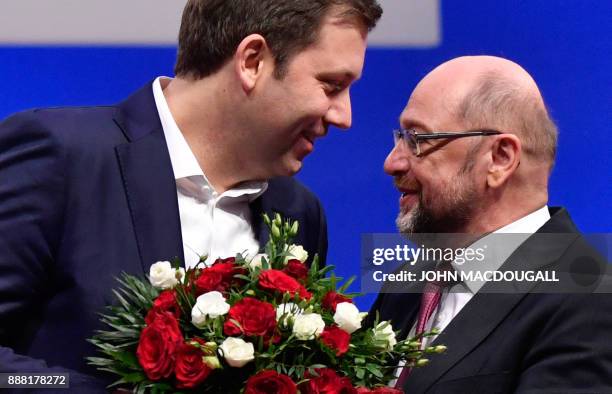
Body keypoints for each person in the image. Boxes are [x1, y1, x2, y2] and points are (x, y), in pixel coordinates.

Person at [0, 0, 382, 390]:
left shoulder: (299, 213)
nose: (344, 116)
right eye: (331, 85)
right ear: (252, 61)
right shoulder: (62, 158)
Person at [369, 56, 612, 393]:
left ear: (500, 158)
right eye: (400, 138)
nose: (392, 162)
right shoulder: (409, 281)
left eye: (418, 140)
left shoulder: (590, 303)